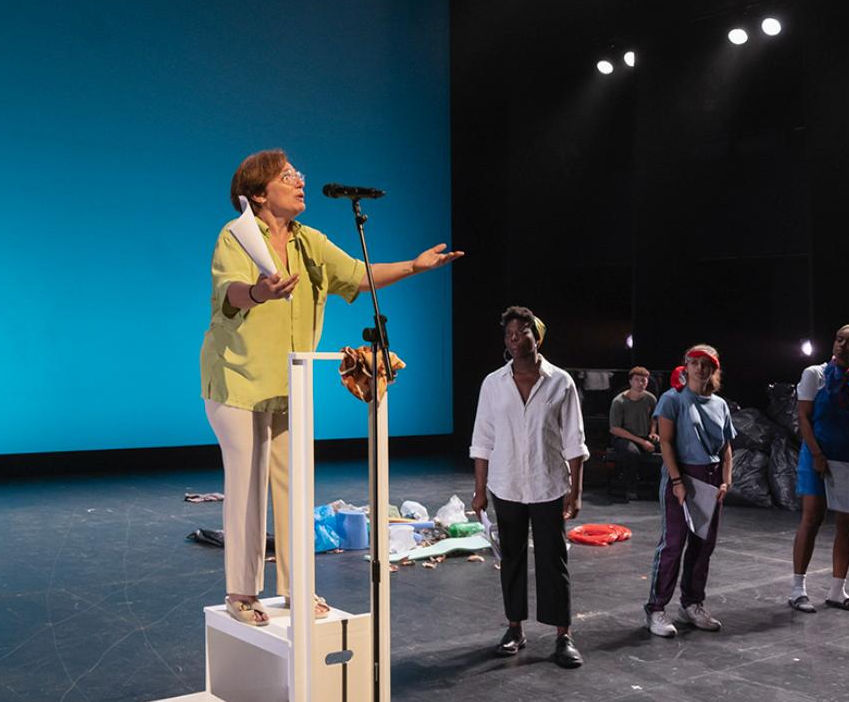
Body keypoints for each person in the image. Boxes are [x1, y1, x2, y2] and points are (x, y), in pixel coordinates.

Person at [201, 149, 461, 626]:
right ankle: (242, 593)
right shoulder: (235, 235)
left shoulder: (309, 241)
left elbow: (358, 276)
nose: (299, 181)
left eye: (297, 173)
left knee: (295, 487)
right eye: (287, 176)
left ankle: (297, 587)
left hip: (289, 382)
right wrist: (259, 292)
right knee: (247, 486)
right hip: (237, 381)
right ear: (258, 194)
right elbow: (229, 293)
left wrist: (415, 266)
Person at [470, 307, 588, 667]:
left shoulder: (560, 382)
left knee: (554, 559)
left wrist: (576, 492)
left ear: (537, 336)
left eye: (522, 331)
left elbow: (574, 440)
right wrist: (479, 490)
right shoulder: (493, 384)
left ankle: (563, 635)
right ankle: (515, 629)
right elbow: (483, 440)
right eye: (509, 333)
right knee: (512, 559)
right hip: (506, 484)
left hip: (548, 483)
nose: (514, 338)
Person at [789, 324, 849, 613]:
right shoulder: (815, 374)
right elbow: (803, 417)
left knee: (848, 524)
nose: (841, 345)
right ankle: (797, 589)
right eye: (839, 339)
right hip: (818, 456)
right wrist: (817, 454)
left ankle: (837, 591)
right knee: (812, 518)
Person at [645, 345, 734, 637]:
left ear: (714, 369)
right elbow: (666, 442)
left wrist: (725, 480)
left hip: (711, 479)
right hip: (683, 475)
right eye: (695, 363)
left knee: (703, 546)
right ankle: (656, 608)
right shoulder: (672, 399)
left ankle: (692, 603)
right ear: (686, 366)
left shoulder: (720, 405)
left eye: (706, 364)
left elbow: (726, 448)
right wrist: (677, 481)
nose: (700, 368)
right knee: (673, 543)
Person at [606, 366, 660, 500]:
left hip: (644, 435)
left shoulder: (651, 399)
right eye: (637, 380)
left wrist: (653, 433)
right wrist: (642, 442)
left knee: (667, 447)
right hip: (623, 437)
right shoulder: (619, 401)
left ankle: (659, 487)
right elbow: (615, 428)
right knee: (632, 453)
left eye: (643, 380)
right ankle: (631, 488)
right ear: (630, 381)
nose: (640, 383)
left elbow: (654, 418)